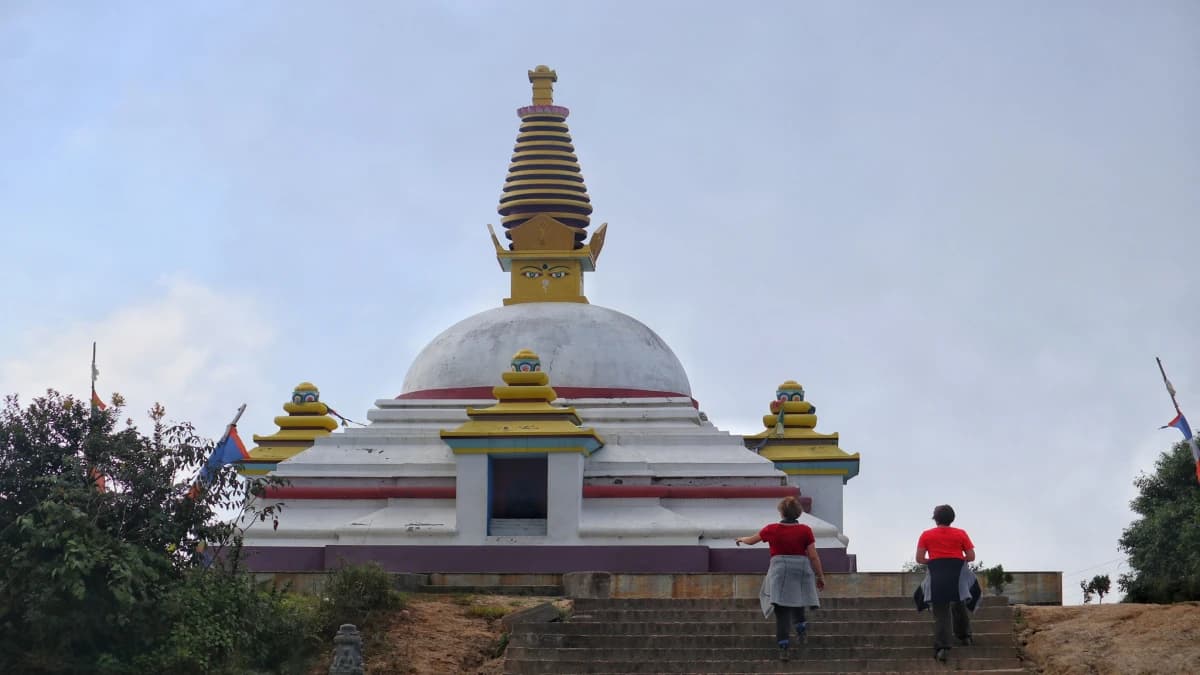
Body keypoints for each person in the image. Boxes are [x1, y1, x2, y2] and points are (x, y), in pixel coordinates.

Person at [735, 495, 825, 662]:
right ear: (798, 513)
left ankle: (784, 648)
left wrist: (741, 539)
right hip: (801, 569)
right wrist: (820, 576)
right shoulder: (805, 530)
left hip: (780, 571)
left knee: (782, 610)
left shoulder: (772, 529)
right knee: (798, 600)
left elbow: (752, 541)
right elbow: (813, 556)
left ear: (781, 512)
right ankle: (801, 629)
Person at [915, 504, 976, 663]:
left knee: (941, 611)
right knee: (959, 603)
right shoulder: (961, 533)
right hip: (957, 577)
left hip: (937, 577)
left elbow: (920, 559)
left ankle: (943, 647)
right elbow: (971, 556)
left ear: (935, 519)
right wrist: (956, 560)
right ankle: (965, 636)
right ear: (952, 518)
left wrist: (935, 561)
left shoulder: (926, 535)